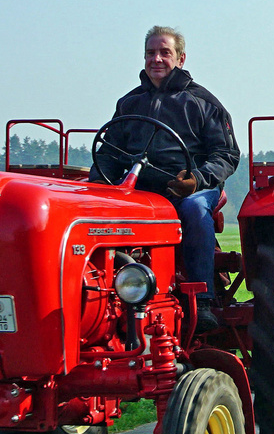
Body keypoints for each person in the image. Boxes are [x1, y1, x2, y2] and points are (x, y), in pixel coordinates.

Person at [98, 26, 240, 329]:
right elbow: (110, 154)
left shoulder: (203, 102)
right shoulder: (129, 103)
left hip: (191, 187)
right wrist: (99, 191)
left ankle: (202, 300)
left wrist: (197, 179)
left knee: (192, 209)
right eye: (151, 53)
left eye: (165, 52)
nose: (157, 59)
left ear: (181, 58)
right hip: (142, 189)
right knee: (103, 211)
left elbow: (226, 155)